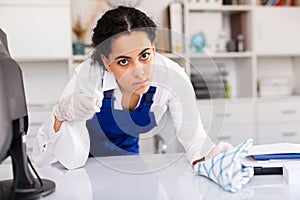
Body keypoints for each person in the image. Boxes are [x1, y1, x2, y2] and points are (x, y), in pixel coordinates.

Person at [32, 6, 253, 192]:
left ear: (154, 50)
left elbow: (194, 139)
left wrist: (217, 161)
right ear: (106, 62)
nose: (139, 72)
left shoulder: (172, 77)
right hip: (82, 174)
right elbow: (41, 161)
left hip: (131, 165)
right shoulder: (86, 77)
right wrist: (60, 116)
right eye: (123, 62)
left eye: (145, 56)